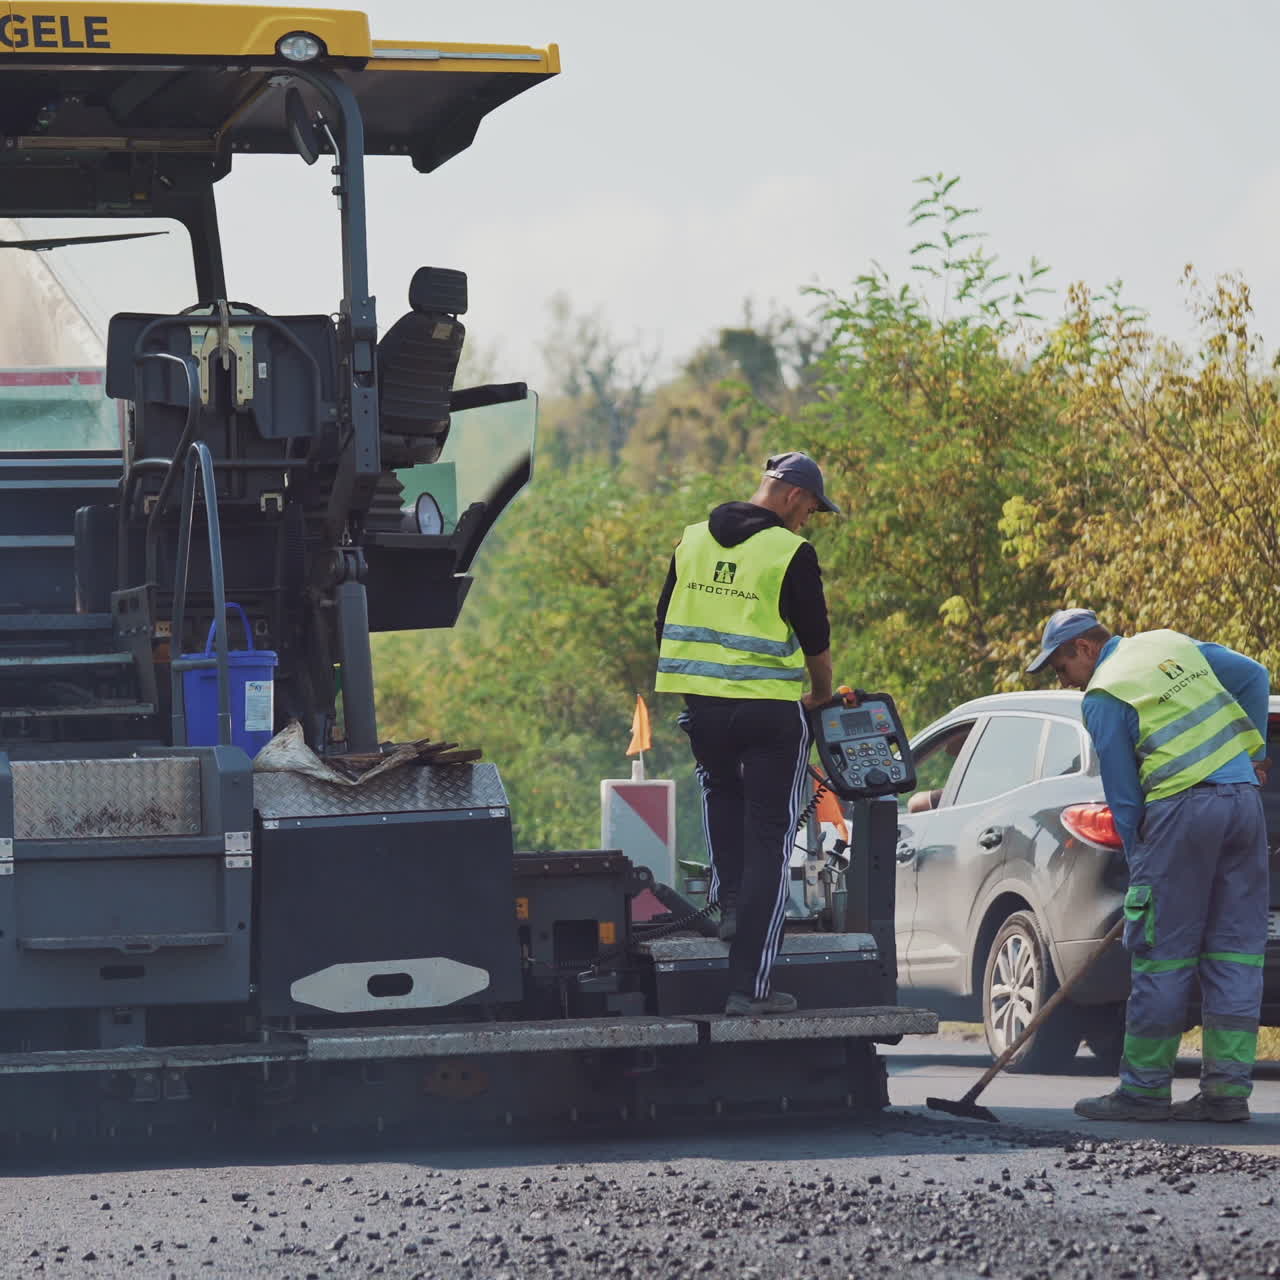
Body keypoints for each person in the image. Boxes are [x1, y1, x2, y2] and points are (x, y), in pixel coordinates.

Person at [1027, 608, 1271, 1122]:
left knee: (1163, 953)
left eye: (1061, 667)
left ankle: (1143, 1090)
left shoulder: (1104, 695)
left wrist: (1143, 875)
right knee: (1235, 953)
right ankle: (1227, 1093)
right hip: (1244, 805)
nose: (1064, 681)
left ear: (1086, 650)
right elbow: (1254, 676)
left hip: (1181, 810)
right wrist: (1255, 755)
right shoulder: (1170, 642)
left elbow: (1124, 797)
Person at [654, 452, 839, 1015]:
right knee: (770, 839)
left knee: (720, 794)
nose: (808, 519)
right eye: (810, 508)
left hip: (703, 710)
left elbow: (664, 620)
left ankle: (729, 900)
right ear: (791, 494)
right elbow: (815, 636)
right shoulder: (788, 551)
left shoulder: (691, 540)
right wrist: (823, 694)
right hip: (767, 714)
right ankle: (751, 989)